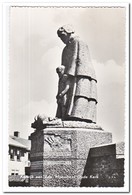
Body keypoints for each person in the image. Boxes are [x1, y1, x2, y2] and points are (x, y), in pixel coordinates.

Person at [56, 24, 97, 123]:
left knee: (80, 94)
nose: (61, 38)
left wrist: (69, 74)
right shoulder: (65, 49)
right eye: (60, 36)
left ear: (68, 32)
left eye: (62, 35)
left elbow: (77, 60)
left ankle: (78, 115)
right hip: (70, 75)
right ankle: (67, 114)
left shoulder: (78, 42)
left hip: (81, 74)